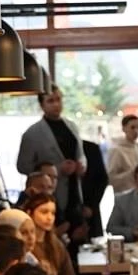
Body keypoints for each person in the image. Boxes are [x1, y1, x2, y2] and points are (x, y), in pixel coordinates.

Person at [16, 85, 87, 240]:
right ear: (42, 105)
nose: (56, 104)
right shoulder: (32, 133)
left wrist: (81, 165)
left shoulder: (72, 126)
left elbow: (81, 155)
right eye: (51, 101)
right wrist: (54, 170)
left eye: (59, 100)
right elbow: (22, 165)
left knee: (77, 238)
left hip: (75, 190)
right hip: (50, 192)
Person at [23, 193, 77, 275]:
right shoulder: (26, 246)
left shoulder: (56, 244)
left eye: (53, 213)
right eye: (44, 212)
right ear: (30, 213)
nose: (49, 218)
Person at [106, 113, 138, 194]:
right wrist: (131, 174)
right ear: (124, 129)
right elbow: (110, 179)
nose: (136, 131)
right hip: (123, 198)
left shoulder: (137, 147)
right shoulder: (116, 150)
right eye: (132, 127)